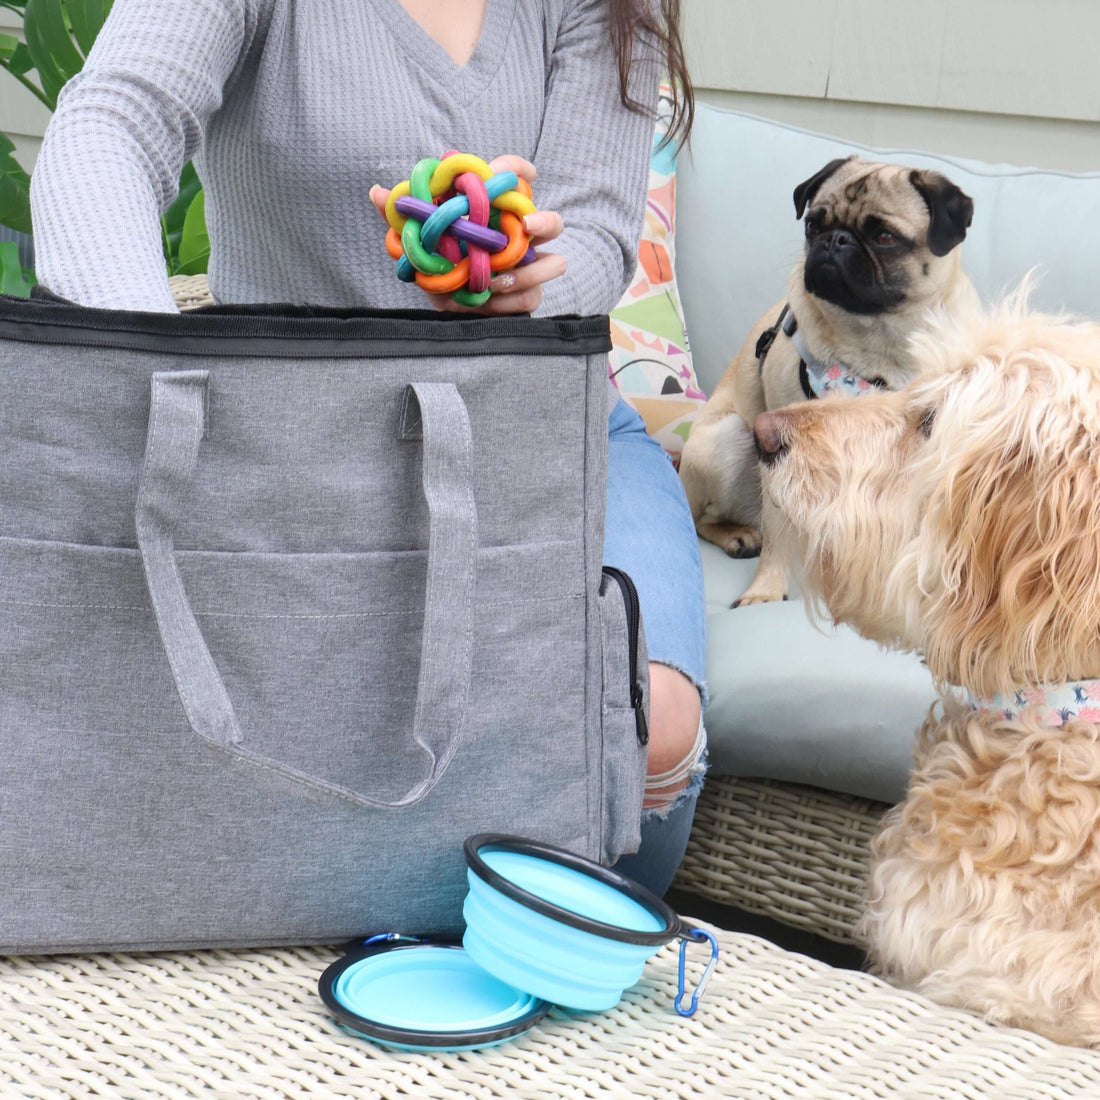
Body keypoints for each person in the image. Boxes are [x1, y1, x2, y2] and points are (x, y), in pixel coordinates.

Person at [29, 0, 706, 896]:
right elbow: (111, 125)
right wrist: (164, 373)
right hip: (294, 434)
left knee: (652, 722)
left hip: (544, 425)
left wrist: (519, 280)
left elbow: (596, 234)